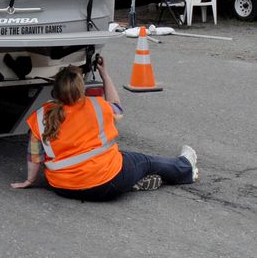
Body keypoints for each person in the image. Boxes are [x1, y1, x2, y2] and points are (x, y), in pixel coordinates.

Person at [11, 56, 198, 201]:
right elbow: (118, 107)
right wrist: (105, 75)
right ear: (81, 89)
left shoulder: (41, 116)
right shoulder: (96, 106)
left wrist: (29, 181)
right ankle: (186, 167)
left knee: (117, 159)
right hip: (108, 182)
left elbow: (34, 156)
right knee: (145, 161)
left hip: (64, 188)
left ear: (56, 91)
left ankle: (132, 182)